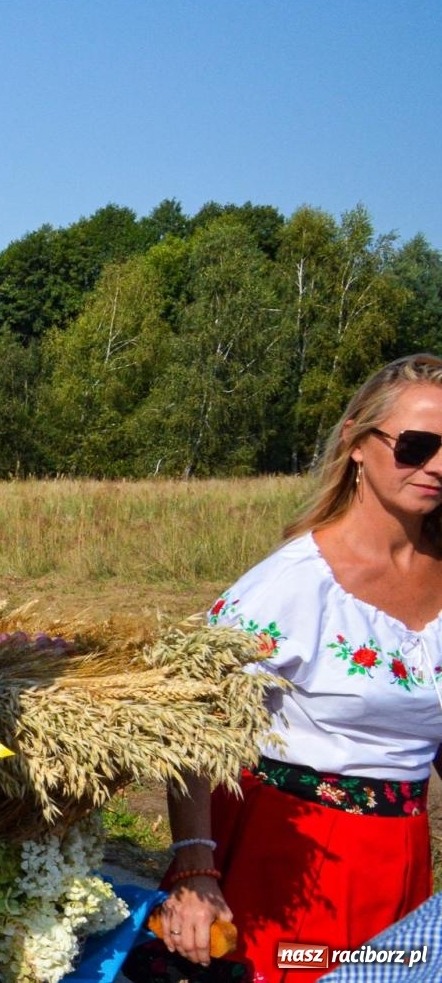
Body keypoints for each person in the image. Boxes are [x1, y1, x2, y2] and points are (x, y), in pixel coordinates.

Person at [146, 354, 442, 983]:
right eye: (417, 446)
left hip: (403, 856)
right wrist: (194, 869)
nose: (438, 466)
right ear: (357, 443)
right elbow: (190, 718)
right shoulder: (294, 586)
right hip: (297, 857)